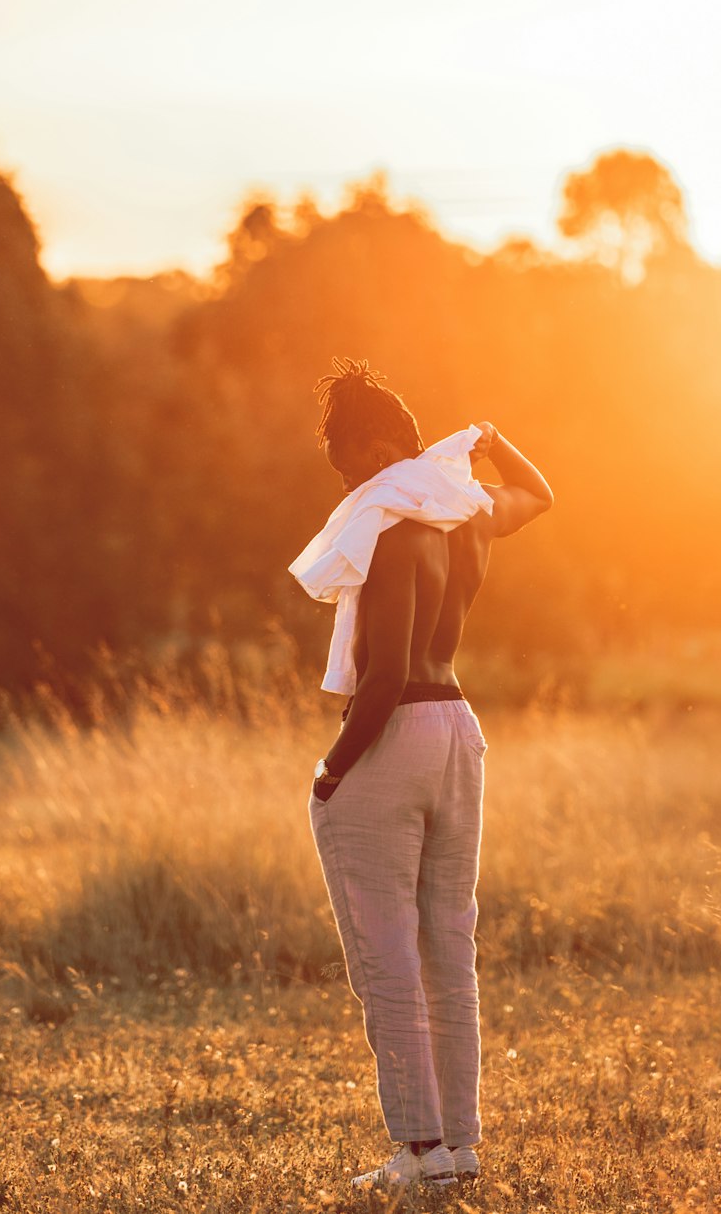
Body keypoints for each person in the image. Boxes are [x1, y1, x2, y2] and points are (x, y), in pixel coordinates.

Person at [289, 357, 553, 1189]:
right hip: (459, 730)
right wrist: (490, 436)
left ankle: (417, 1150)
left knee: (387, 953)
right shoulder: (466, 514)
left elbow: (387, 674)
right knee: (449, 942)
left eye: (346, 461)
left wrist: (332, 770)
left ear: (378, 447)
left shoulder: (396, 527)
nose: (344, 480)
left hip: (399, 729)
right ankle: (458, 1146)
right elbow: (540, 493)